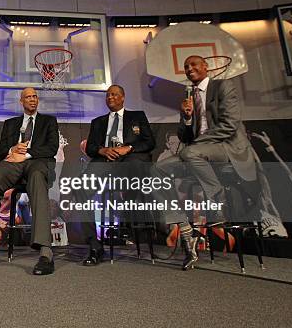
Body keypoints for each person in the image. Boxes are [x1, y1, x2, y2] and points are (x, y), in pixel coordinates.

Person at [154, 55, 256, 270]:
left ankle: (216, 203)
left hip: (225, 148)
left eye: (193, 65)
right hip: (197, 152)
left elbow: (229, 125)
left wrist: (197, 145)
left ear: (205, 67)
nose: (189, 69)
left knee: (192, 153)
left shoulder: (222, 86)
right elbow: (183, 135)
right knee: (158, 169)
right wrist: (187, 116)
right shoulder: (189, 96)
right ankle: (185, 229)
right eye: (186, 66)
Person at [0, 87, 59, 275]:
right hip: (13, 164)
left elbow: (52, 148)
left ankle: (46, 254)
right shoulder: (11, 124)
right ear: (21, 101)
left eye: (35, 96)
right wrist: (12, 151)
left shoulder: (49, 121)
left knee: (38, 179)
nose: (32, 100)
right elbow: (0, 155)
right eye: (28, 97)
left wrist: (28, 154)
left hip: (36, 162)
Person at [81, 84, 155, 265]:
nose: (110, 98)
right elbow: (90, 148)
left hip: (129, 160)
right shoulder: (97, 122)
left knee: (138, 174)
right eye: (107, 95)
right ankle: (94, 245)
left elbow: (150, 142)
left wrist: (127, 148)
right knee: (80, 188)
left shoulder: (137, 116)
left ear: (123, 97)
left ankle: (128, 222)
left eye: (114, 95)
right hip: (104, 162)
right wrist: (102, 150)